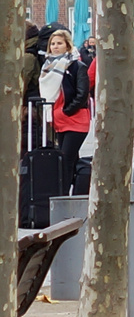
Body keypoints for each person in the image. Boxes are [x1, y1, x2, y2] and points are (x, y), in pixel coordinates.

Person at [42, 30, 89, 195]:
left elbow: (82, 94)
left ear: (68, 45)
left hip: (75, 120)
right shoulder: (48, 66)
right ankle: (77, 193)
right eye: (53, 44)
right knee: (69, 159)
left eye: (59, 43)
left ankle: (62, 196)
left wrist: (67, 111)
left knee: (65, 160)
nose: (55, 47)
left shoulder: (77, 66)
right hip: (58, 120)